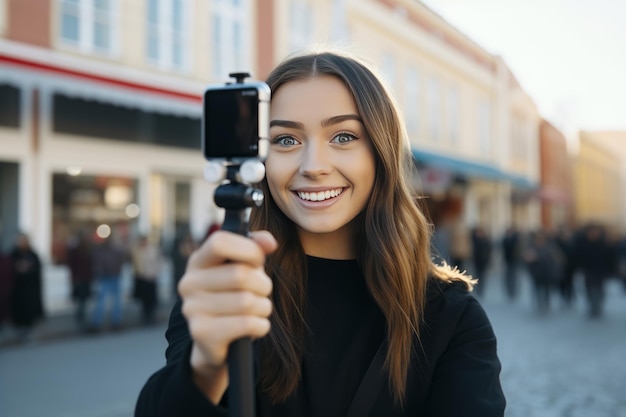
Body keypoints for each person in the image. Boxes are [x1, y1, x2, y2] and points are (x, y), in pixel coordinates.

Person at [135, 51, 506, 416]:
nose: (313, 167)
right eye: (285, 140)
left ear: (381, 152)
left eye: (343, 137)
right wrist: (206, 364)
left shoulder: (450, 316)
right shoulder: (230, 294)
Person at [9, 232, 44, 342]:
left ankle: (28, 331)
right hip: (17, 288)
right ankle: (19, 330)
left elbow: (37, 269)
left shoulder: (32, 254)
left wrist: (28, 269)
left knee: (29, 310)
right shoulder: (13, 254)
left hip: (30, 288)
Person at [89, 235, 127, 331]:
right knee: (112, 302)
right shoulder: (115, 251)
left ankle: (99, 323)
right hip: (110, 276)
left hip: (109, 276)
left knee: (105, 302)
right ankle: (113, 323)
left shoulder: (102, 251)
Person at [132, 235, 163, 325]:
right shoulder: (137, 250)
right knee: (144, 299)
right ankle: (146, 315)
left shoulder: (152, 250)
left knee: (152, 298)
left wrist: (155, 272)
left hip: (151, 277)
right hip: (142, 278)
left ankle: (151, 315)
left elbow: (158, 261)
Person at [66, 231, 95, 326]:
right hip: (79, 279)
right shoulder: (76, 251)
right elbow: (72, 265)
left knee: (83, 299)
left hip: (85, 278)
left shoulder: (88, 250)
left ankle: (81, 316)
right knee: (80, 299)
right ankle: (80, 316)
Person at [501, 226, 521, 301]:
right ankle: (509, 290)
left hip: (514, 261)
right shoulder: (505, 239)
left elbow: (518, 250)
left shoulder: (516, 239)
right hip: (507, 260)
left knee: (514, 276)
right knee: (508, 276)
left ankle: (513, 290)